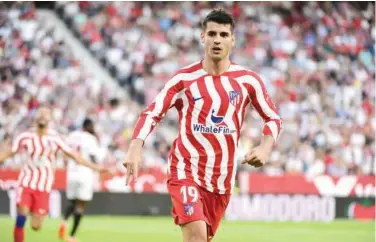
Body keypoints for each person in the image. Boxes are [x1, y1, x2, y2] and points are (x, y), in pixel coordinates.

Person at [123, 9, 282, 242]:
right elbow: (152, 112)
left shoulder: (248, 80)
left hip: (222, 181)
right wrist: (135, 147)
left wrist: (265, 147)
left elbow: (273, 118)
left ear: (232, 39)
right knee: (196, 238)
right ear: (202, 37)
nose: (217, 39)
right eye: (212, 34)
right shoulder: (183, 79)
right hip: (185, 171)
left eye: (224, 35)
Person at [0, 105, 107, 242]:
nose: (43, 116)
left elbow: (76, 156)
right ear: (35, 117)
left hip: (44, 186)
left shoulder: (55, 138)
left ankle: (33, 208)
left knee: (36, 226)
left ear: (50, 119)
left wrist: (96, 168)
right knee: (21, 218)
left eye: (46, 114)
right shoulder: (25, 136)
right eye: (41, 113)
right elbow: (9, 153)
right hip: (26, 182)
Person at [58, 118, 101, 242]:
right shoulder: (91, 138)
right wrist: (98, 166)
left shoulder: (72, 135)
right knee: (81, 205)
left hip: (72, 172)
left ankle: (64, 222)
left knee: (72, 202)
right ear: (87, 126)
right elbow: (93, 156)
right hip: (85, 173)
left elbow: (65, 152)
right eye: (92, 126)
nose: (93, 129)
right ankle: (72, 236)